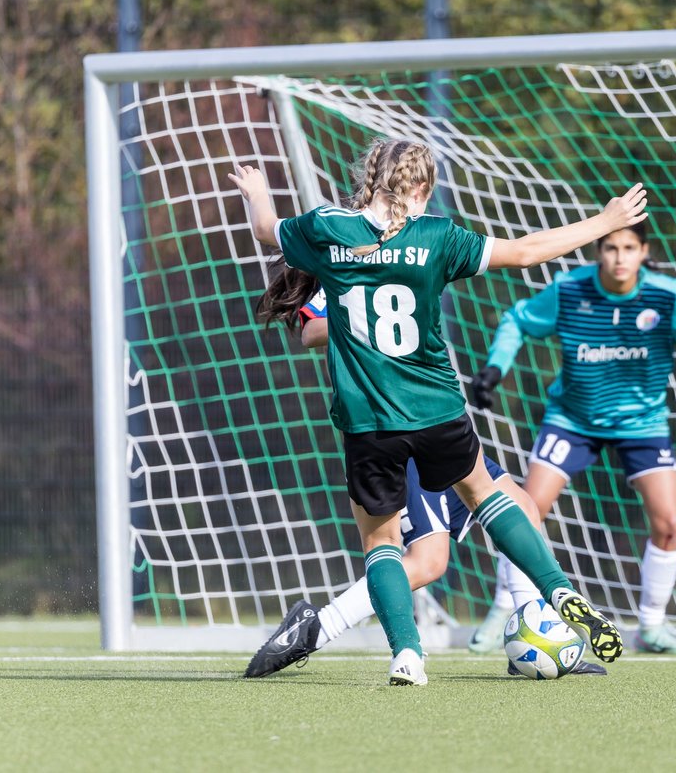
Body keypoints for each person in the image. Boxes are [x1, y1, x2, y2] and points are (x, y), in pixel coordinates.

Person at [228, 137, 645, 685]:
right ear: (422, 188)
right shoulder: (435, 236)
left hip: (372, 421)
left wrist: (258, 192)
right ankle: (554, 591)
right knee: (468, 523)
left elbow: (266, 229)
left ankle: (425, 650)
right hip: (436, 410)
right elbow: (523, 251)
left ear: (369, 179)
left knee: (399, 540)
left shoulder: (327, 230)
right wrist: (603, 220)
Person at [243, 287, 605, 678]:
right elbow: (312, 332)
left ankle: (531, 632)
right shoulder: (351, 263)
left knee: (524, 508)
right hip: (396, 428)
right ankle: (317, 627)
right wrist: (372, 323)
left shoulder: (416, 249)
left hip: (436, 416)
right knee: (427, 562)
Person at [468, 221, 676, 656]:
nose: (620, 257)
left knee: (670, 523)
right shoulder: (569, 290)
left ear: (644, 251)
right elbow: (518, 321)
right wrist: (495, 368)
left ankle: (652, 628)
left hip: (642, 423)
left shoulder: (665, 296)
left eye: (629, 248)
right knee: (526, 511)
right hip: (572, 418)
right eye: (611, 248)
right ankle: (505, 608)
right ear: (599, 251)